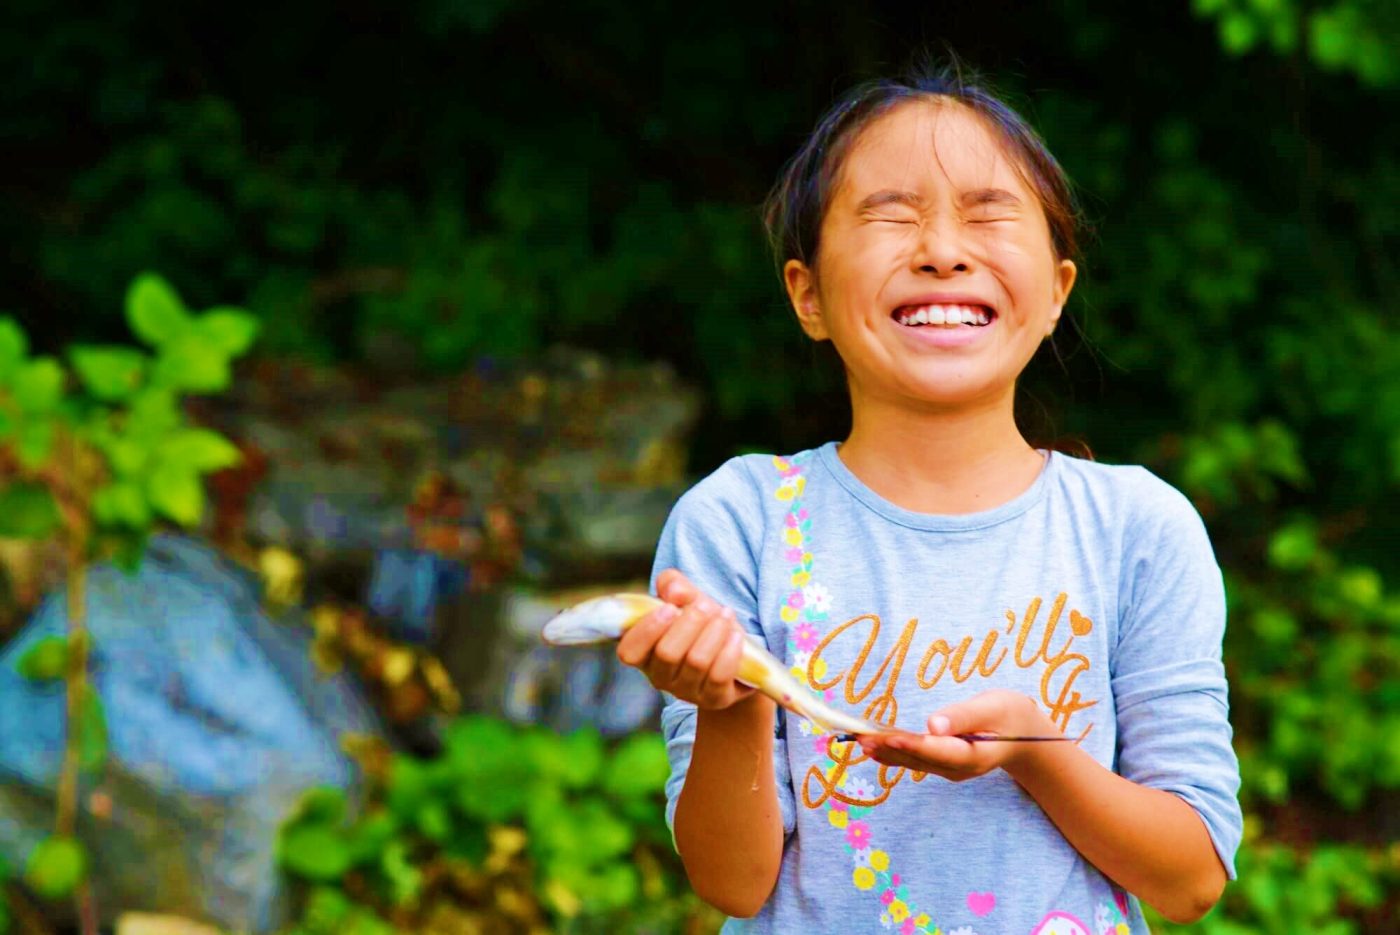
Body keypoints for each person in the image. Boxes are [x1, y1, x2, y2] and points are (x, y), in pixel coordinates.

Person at [616, 65, 1242, 935]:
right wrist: (734, 705)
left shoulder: (1137, 528)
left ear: (1057, 292)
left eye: (988, 213)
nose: (942, 249)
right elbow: (733, 882)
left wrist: (1034, 754)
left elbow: (1191, 878)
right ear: (807, 295)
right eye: (889, 215)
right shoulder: (741, 518)